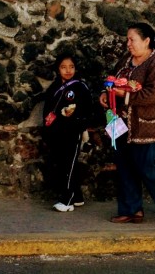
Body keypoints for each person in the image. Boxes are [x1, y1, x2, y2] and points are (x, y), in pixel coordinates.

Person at [99, 22, 155, 223]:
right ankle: (131, 209)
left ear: (146, 41)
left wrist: (124, 96)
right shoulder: (127, 60)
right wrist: (106, 92)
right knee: (124, 163)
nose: (128, 44)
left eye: (132, 40)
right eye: (127, 39)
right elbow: (114, 80)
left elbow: (153, 95)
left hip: (148, 123)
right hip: (122, 122)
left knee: (145, 164)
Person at [43, 53, 93, 212]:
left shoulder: (80, 86)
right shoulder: (54, 87)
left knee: (69, 164)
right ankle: (77, 196)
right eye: (63, 67)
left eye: (71, 67)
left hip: (73, 131)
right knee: (62, 163)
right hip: (57, 131)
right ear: (58, 69)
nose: (68, 70)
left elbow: (87, 109)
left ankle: (67, 200)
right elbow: (48, 108)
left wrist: (81, 124)